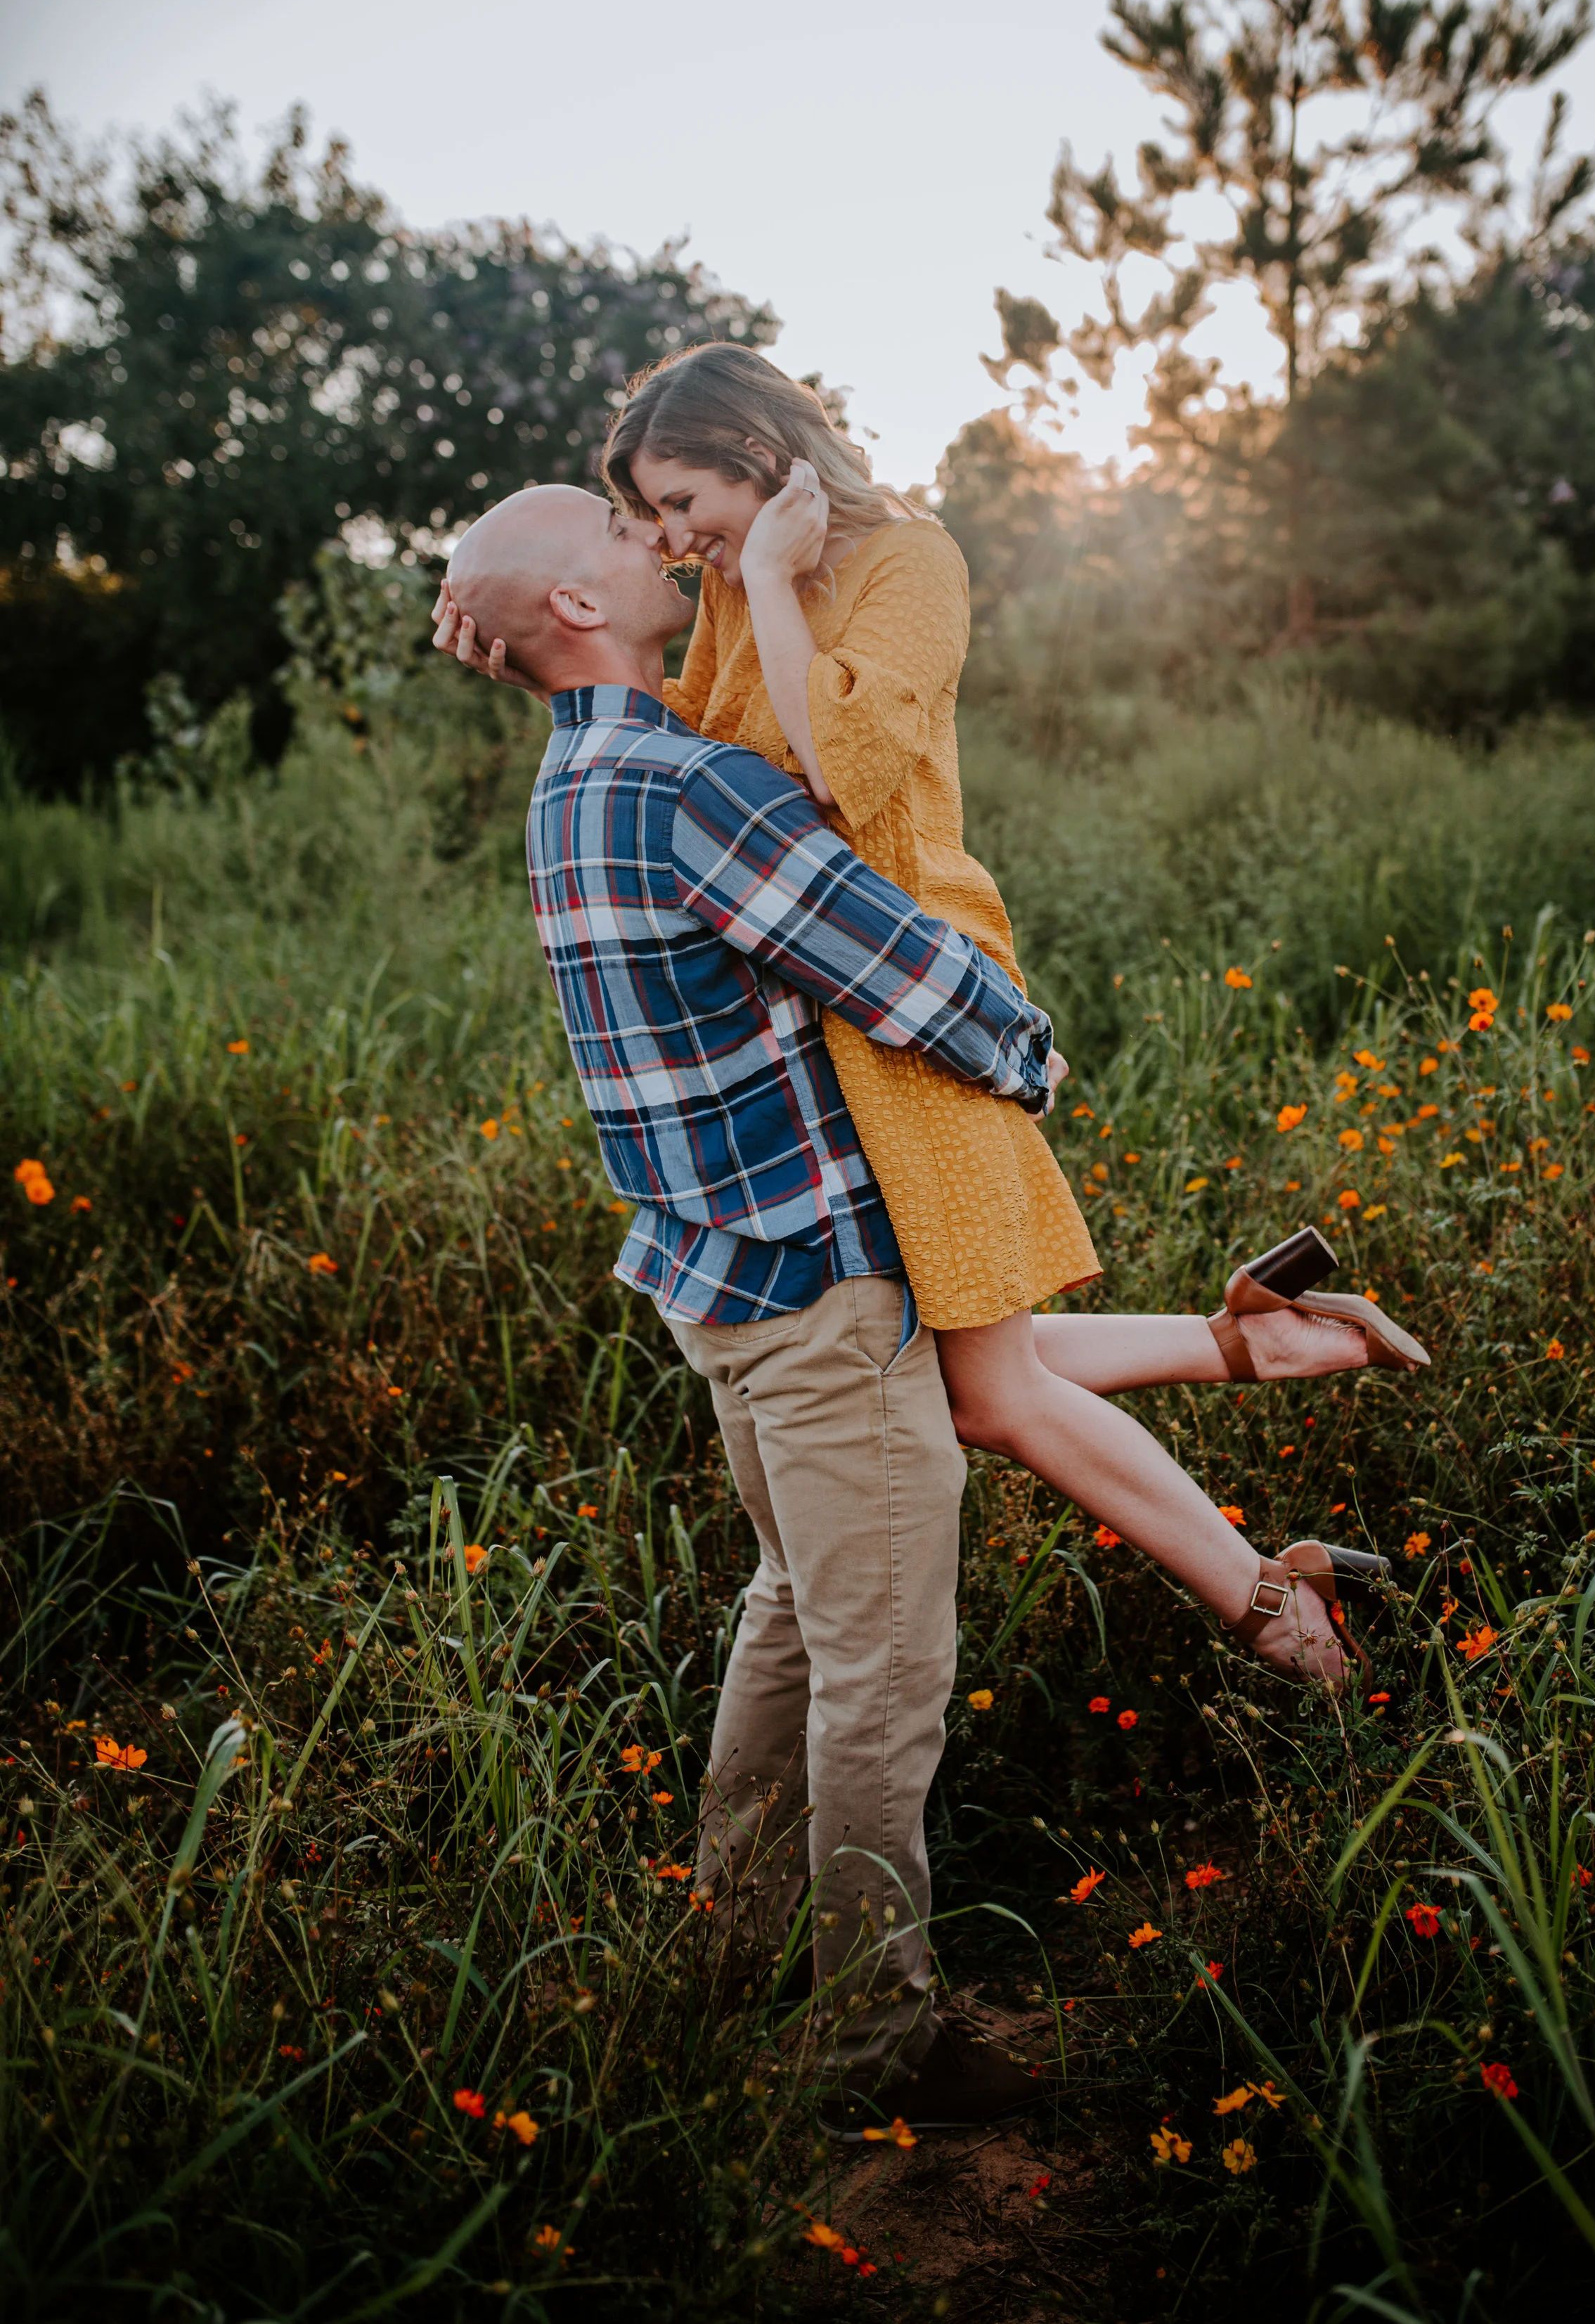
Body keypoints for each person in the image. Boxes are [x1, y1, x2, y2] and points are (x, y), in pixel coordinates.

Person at [436, 484, 1403, 2133]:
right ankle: (868, 2048)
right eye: (609, 534)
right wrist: (1027, 1047)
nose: (646, 537)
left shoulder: (573, 783)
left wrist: (1226, 1342)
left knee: (796, 1619)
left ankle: (735, 1951)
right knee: (882, 1681)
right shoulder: (691, 784)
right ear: (581, 614)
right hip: (822, 1291)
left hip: (724, 1290)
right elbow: (924, 986)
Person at [433, 347, 1430, 1687]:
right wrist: (541, 659)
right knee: (954, 1370)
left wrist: (774, 581)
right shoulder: (733, 580)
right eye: (651, 520)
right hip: (818, 992)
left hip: (907, 985)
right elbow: (685, 756)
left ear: (758, 455)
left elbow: (837, 771)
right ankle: (1248, 1385)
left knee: (981, 1387)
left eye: (680, 504)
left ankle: (1278, 1613)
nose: (671, 544)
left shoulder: (909, 565)